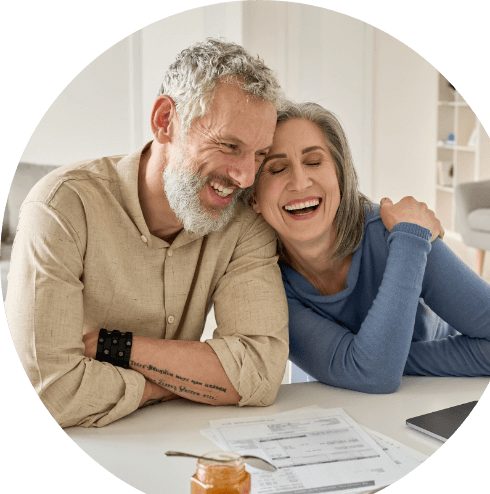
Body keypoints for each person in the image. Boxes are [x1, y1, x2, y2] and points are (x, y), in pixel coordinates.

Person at [6, 38, 290, 428]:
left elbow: (259, 374)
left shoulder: (243, 225)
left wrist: (115, 347)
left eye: (259, 154)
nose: (245, 176)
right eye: (229, 145)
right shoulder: (61, 206)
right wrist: (181, 383)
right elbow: (50, 391)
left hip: (172, 447)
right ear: (164, 121)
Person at [244, 101, 490, 393]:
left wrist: (380, 358)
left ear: (340, 175)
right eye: (277, 168)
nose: (299, 181)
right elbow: (371, 371)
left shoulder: (403, 234)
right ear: (254, 199)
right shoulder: (264, 281)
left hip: (431, 393)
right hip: (339, 409)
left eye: (313, 162)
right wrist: (373, 360)